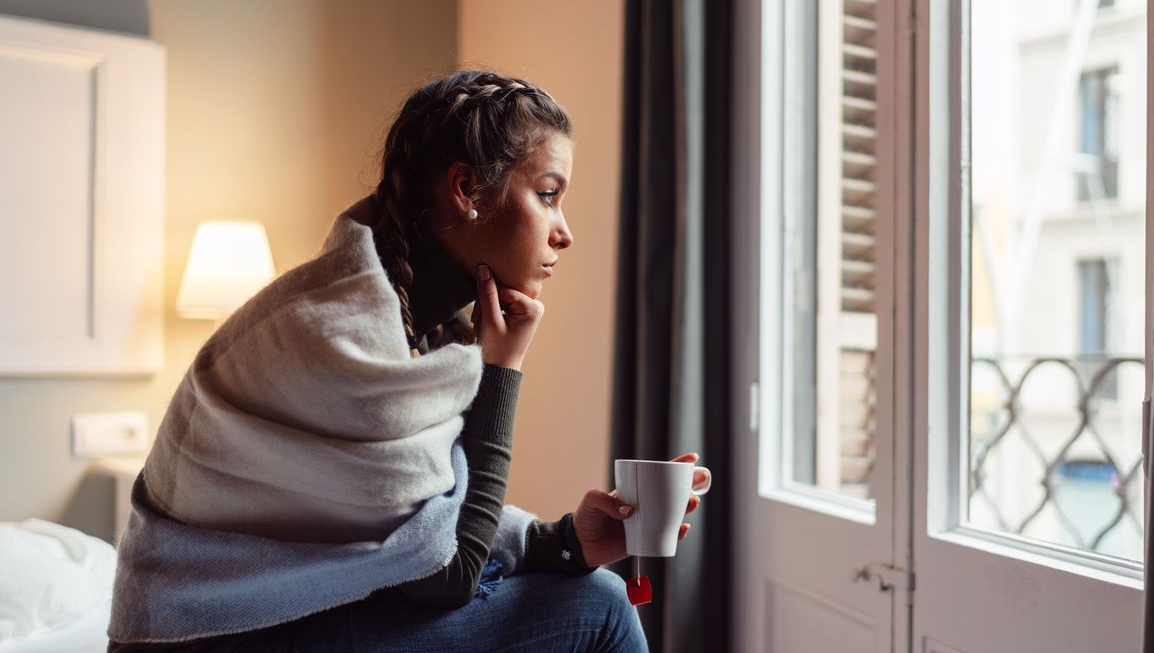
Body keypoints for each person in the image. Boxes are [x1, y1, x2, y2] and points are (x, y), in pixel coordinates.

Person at [106, 70, 708, 651]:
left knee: (582, 585)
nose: (564, 232)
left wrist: (565, 543)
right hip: (204, 641)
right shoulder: (339, 336)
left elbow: (416, 525)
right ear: (466, 190)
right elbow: (448, 575)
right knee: (599, 607)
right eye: (548, 196)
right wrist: (502, 368)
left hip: (257, 624)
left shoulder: (409, 322)